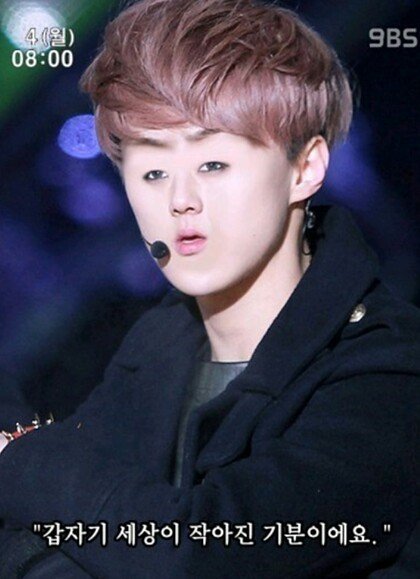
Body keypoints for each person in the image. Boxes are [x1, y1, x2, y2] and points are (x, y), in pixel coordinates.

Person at [0, 0, 418, 577]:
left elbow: (208, 555)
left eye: (214, 164)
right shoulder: (160, 343)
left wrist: (22, 459)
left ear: (305, 168)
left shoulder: (393, 370)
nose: (179, 200)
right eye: (152, 171)